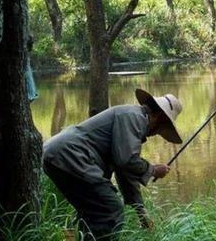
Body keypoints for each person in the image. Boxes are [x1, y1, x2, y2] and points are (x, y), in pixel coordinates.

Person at [43, 89, 184, 240]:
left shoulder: (133, 118)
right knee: (111, 209)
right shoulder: (134, 117)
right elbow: (126, 160)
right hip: (70, 154)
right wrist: (153, 170)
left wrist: (142, 213)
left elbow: (124, 171)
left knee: (93, 211)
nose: (157, 133)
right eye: (163, 128)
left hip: (57, 154)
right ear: (160, 117)